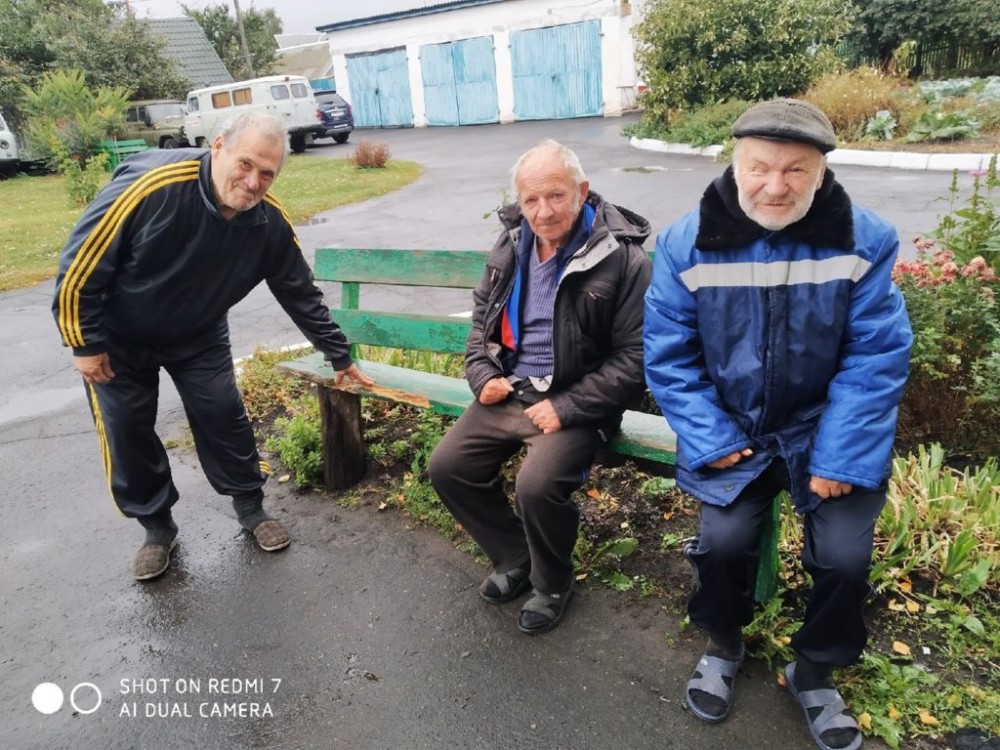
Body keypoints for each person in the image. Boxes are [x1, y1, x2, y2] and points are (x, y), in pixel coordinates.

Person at [643, 99, 912, 750]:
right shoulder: (688, 242)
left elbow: (876, 353)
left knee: (846, 557)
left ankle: (815, 669)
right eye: (760, 166)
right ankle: (724, 642)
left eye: (796, 169)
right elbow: (669, 357)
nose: (775, 184)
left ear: (821, 172)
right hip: (734, 430)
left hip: (826, 428)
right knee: (724, 544)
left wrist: (841, 456)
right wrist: (714, 441)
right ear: (735, 163)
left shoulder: (863, 239)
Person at [53, 112, 373, 582]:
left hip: (198, 334)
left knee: (223, 411)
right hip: (120, 339)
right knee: (127, 430)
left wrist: (339, 356)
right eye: (246, 164)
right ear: (218, 146)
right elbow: (81, 264)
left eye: (268, 172)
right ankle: (157, 528)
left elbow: (299, 292)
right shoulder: (152, 188)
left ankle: (250, 508)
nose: (253, 181)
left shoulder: (268, 224)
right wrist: (84, 342)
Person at [428, 140, 652, 635]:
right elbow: (480, 327)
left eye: (555, 196)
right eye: (531, 200)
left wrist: (568, 406)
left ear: (582, 191)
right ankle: (515, 557)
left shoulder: (626, 260)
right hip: (512, 390)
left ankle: (552, 582)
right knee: (448, 468)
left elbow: (635, 359)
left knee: (537, 486)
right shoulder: (509, 245)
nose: (543, 211)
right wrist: (484, 377)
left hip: (577, 403)